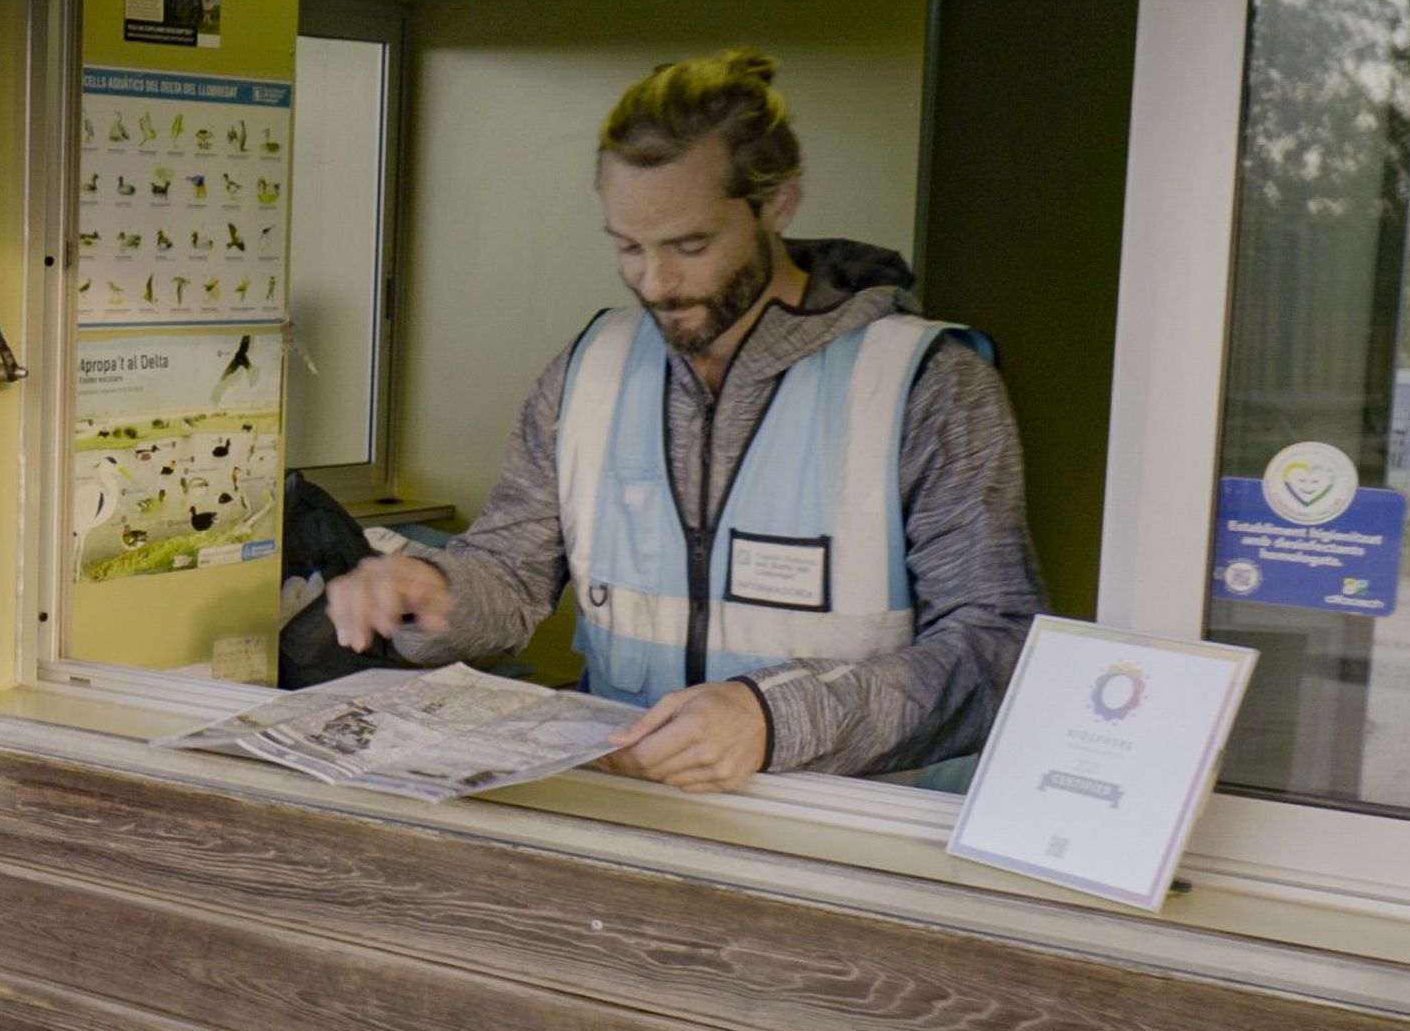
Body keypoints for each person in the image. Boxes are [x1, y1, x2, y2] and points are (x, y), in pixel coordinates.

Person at [324, 48, 1040, 789]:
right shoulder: (590, 371)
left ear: (778, 205)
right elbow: (508, 577)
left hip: (836, 831)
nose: (656, 283)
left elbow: (997, 647)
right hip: (628, 810)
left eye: (690, 246)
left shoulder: (928, 385)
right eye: (628, 247)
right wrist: (431, 592)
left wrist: (773, 719)